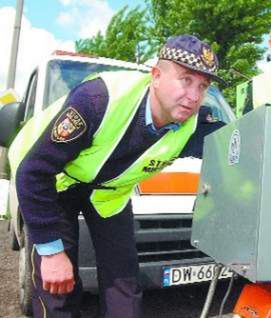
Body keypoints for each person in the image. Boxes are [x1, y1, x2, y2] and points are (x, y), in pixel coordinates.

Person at [9, 35, 225, 318]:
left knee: (124, 280)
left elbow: (237, 147)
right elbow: (33, 172)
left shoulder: (194, 124)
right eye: (186, 80)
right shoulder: (97, 100)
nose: (195, 96)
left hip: (108, 194)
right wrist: (51, 252)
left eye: (203, 86)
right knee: (58, 284)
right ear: (156, 76)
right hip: (54, 181)